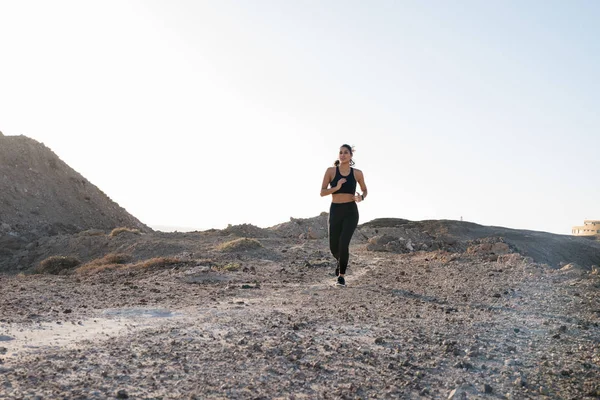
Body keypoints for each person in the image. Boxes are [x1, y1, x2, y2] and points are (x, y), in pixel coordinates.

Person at [320, 144, 368, 286]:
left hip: (350, 212)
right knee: (333, 247)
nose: (343, 155)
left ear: (351, 156)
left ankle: (341, 276)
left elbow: (365, 190)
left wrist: (361, 197)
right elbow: (322, 192)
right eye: (340, 152)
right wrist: (337, 187)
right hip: (335, 210)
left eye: (346, 152)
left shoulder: (357, 173)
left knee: (344, 243)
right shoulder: (331, 171)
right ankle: (340, 262)